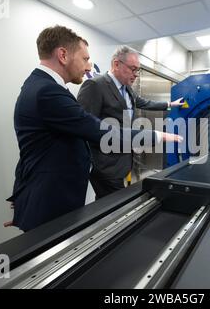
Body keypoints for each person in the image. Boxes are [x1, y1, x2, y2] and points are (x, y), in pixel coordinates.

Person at [6, 26, 181, 232]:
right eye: (85, 59)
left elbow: (34, 148)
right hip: (51, 198)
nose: (89, 67)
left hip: (45, 193)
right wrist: (157, 135)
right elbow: (99, 130)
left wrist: (23, 192)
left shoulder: (39, 86)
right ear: (63, 55)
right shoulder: (47, 91)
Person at [77, 46, 184, 199]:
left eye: (138, 71)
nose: (136, 75)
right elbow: (84, 127)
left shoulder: (127, 89)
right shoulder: (95, 85)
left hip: (125, 161)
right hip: (105, 165)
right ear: (116, 64)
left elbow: (144, 103)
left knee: (107, 205)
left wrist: (170, 104)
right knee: (113, 205)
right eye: (133, 69)